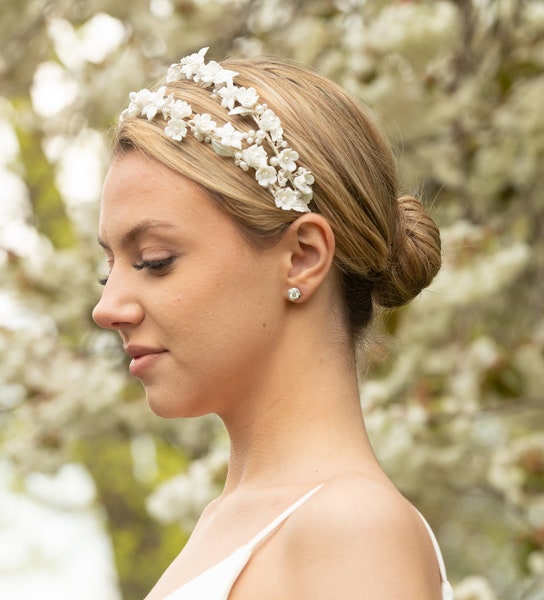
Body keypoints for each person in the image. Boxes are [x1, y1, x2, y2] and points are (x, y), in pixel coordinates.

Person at [92, 47, 453, 600]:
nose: (107, 307)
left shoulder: (351, 530)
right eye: (108, 270)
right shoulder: (234, 520)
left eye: (155, 260)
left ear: (303, 257)